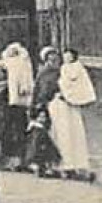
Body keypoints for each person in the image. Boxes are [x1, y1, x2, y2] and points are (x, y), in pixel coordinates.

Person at [50, 48, 96, 180]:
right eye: (65, 57)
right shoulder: (62, 69)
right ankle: (65, 163)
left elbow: (82, 86)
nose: (67, 59)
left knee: (75, 133)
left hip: (73, 106)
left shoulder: (79, 70)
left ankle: (78, 163)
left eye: (69, 57)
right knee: (63, 133)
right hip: (61, 106)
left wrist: (75, 96)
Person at [21, 46, 63, 177]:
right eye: (50, 59)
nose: (54, 61)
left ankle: (53, 164)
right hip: (44, 107)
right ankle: (42, 164)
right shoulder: (43, 73)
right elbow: (37, 91)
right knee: (43, 135)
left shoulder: (62, 72)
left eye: (56, 58)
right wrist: (35, 108)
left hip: (58, 107)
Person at [0, 43, 35, 169]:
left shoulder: (23, 63)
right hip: (8, 98)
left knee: (20, 127)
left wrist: (25, 87)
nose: (13, 53)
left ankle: (21, 157)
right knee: (8, 127)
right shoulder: (7, 62)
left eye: (15, 51)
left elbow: (27, 78)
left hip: (20, 98)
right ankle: (9, 157)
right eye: (11, 51)